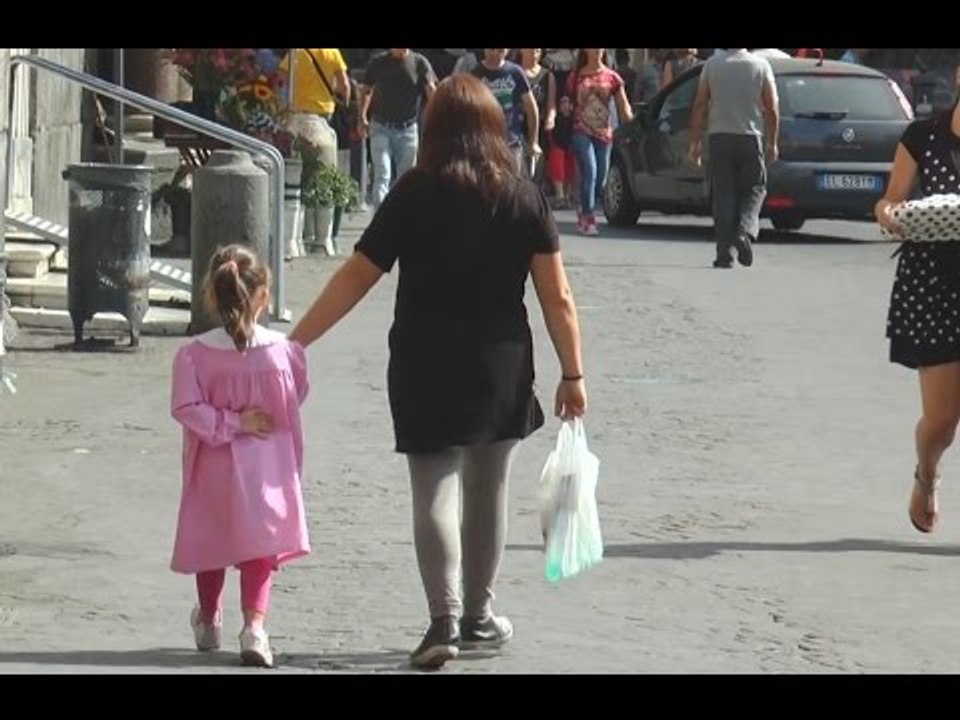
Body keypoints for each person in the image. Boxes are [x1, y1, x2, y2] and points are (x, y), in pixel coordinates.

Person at [289, 74, 586, 670]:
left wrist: (296, 340)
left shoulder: (414, 192)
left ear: (433, 129)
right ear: (494, 128)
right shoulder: (524, 196)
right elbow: (558, 298)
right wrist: (573, 374)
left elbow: (357, 276)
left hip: (424, 357)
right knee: (488, 489)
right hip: (501, 361)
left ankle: (442, 621)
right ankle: (479, 614)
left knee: (434, 488)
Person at [170, 245, 310, 668]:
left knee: (211, 542)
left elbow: (186, 408)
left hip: (213, 463)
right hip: (268, 469)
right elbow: (297, 395)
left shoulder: (193, 354)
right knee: (259, 550)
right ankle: (255, 628)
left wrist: (229, 422)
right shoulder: (284, 353)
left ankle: (210, 617)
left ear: (213, 295)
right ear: (263, 296)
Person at [875, 94, 960, 534]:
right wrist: (894, 217)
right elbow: (889, 201)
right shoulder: (923, 137)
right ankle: (926, 474)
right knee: (942, 421)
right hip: (935, 287)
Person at [689, 48, 779, 268]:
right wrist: (773, 143)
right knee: (755, 189)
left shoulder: (712, 64)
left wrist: (695, 142)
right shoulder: (760, 65)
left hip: (719, 137)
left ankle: (724, 255)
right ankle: (745, 231)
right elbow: (773, 107)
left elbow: (700, 104)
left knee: (723, 194)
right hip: (750, 138)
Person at [358, 49, 437, 209]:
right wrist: (362, 116)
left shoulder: (419, 62)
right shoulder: (378, 62)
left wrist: (434, 117)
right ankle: (380, 219)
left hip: (407, 129)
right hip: (381, 126)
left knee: (405, 180)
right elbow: (366, 90)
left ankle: (399, 221)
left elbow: (431, 91)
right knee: (382, 174)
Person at [566, 48, 633, 235]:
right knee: (590, 171)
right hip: (581, 130)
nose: (596, 51)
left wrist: (630, 123)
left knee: (601, 179)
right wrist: (564, 107)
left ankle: (584, 207)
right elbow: (567, 99)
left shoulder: (612, 77)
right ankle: (588, 217)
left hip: (604, 132)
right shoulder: (576, 76)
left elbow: (623, 105)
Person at [472, 49, 542, 176]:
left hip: (511, 143)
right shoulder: (476, 73)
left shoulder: (515, 72)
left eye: (500, 50)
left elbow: (532, 108)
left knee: (512, 186)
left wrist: (534, 142)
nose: (495, 53)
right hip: (485, 144)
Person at [548, 95, 577, 208]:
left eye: (566, 103)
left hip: (570, 147)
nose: (564, 105)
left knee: (571, 164)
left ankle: (567, 195)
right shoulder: (555, 119)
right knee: (557, 159)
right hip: (558, 145)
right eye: (562, 103)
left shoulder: (575, 119)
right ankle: (559, 196)